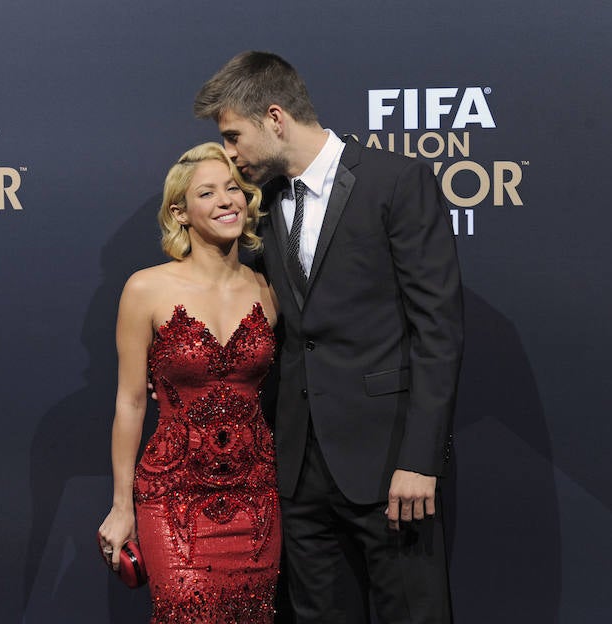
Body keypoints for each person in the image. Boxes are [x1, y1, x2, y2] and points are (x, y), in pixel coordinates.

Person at [194, 52, 464, 623]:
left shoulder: (396, 181)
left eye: (234, 136)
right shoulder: (261, 207)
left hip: (391, 465)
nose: (232, 154)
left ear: (275, 117)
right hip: (298, 473)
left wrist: (420, 459)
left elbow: (437, 331)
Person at [97, 142, 282, 622]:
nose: (227, 201)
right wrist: (122, 508)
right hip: (172, 495)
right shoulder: (146, 288)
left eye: (234, 189)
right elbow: (132, 402)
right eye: (208, 193)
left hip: (256, 495)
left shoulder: (269, 289)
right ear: (179, 212)